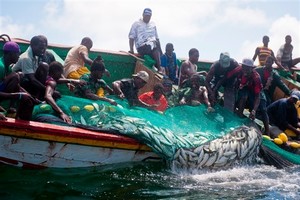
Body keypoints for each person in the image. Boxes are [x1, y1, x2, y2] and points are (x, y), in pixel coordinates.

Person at [227, 58, 269, 134]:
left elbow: (257, 96)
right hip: (245, 88)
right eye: (244, 67)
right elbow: (228, 76)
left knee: (263, 109)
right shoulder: (239, 70)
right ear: (242, 66)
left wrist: (254, 110)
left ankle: (267, 130)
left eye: (248, 68)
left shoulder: (256, 78)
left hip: (256, 91)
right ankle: (239, 117)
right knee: (243, 97)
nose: (245, 70)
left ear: (252, 68)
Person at [12, 35, 54, 100]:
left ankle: (39, 96)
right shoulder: (26, 58)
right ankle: (37, 97)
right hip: (19, 84)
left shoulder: (36, 55)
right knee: (43, 66)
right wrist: (48, 91)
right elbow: (32, 80)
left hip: (29, 81)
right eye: (40, 48)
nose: (43, 51)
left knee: (44, 66)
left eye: (44, 48)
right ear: (32, 46)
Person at [129, 8, 163, 73]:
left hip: (153, 45)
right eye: (146, 16)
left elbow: (157, 38)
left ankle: (159, 68)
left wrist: (161, 52)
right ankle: (157, 67)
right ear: (143, 15)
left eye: (149, 16)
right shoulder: (136, 24)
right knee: (150, 46)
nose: (147, 17)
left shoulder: (153, 24)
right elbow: (131, 37)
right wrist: (131, 50)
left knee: (156, 47)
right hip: (142, 46)